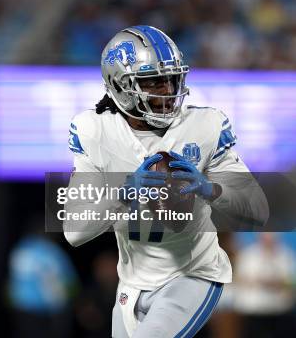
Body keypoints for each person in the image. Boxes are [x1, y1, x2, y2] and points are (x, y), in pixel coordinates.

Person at [62, 25, 268, 337]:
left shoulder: (204, 126)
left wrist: (209, 188)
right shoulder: (94, 130)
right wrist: (125, 192)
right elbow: (75, 230)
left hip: (193, 274)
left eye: (172, 78)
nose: (168, 90)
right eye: (153, 81)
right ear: (119, 85)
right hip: (131, 285)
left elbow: (257, 210)